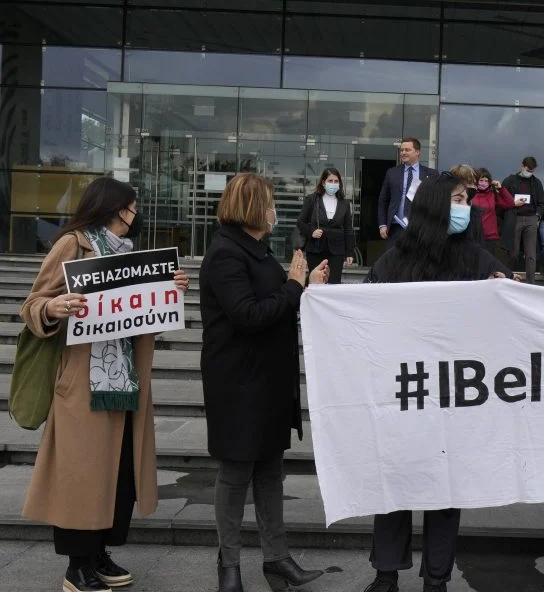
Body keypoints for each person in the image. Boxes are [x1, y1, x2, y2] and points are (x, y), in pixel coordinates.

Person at [20, 176, 189, 592]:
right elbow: (33, 304)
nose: (136, 215)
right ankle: (77, 565)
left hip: (124, 379)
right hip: (84, 380)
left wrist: (168, 292)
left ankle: (98, 553)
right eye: (132, 206)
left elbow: (140, 317)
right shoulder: (74, 245)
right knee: (83, 474)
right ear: (118, 209)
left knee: (119, 473)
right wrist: (54, 306)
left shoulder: (133, 256)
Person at [359, 172, 513, 592]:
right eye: (460, 198)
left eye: (467, 198)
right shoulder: (394, 259)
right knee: (396, 486)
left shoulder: (477, 258)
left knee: (446, 491)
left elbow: (514, 297)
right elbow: (364, 313)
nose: (468, 206)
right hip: (404, 396)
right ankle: (386, 574)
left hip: (454, 400)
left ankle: (437, 579)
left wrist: (509, 289)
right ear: (435, 206)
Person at [200, 173, 329, 592]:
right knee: (236, 473)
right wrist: (293, 285)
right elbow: (249, 315)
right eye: (271, 203)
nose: (276, 211)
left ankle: (277, 559)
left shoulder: (256, 250)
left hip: (268, 382)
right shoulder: (225, 253)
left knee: (271, 471)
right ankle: (230, 566)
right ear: (254, 208)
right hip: (238, 382)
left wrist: (307, 286)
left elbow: (279, 305)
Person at [297, 167, 356, 284]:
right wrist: (311, 232)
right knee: (316, 282)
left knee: (334, 283)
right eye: (330, 181)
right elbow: (300, 222)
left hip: (337, 250)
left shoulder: (344, 203)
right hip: (315, 248)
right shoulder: (312, 199)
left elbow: (348, 230)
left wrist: (350, 252)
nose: (333, 184)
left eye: (336, 181)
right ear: (323, 183)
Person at [378, 137, 439, 245]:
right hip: (395, 228)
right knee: (394, 260)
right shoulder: (392, 173)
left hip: (420, 229)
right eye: (401, 150)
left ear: (417, 152)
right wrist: (382, 224)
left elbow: (435, 203)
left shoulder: (431, 174)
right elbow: (383, 200)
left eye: (407, 150)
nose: (403, 153)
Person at [502, 156, 544, 283]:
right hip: (515, 218)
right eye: (527, 170)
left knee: (531, 255)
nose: (529, 173)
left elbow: (541, 203)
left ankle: (531, 284)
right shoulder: (510, 181)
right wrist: (513, 203)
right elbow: (502, 199)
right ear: (522, 166)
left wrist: (537, 216)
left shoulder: (537, 183)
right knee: (513, 253)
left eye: (531, 171)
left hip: (531, 219)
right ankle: (509, 279)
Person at [471, 167, 519, 256]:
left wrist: (501, 189)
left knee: (488, 267)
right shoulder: (471, 194)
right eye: (481, 180)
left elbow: (510, 203)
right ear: (476, 181)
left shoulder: (492, 194)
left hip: (490, 237)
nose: (484, 183)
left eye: (486, 181)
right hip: (474, 236)